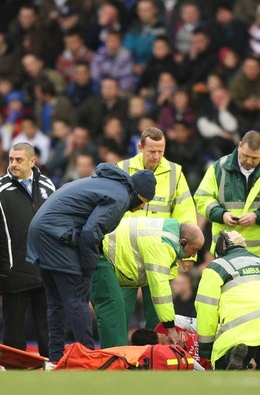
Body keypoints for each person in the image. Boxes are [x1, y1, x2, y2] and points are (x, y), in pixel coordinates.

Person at [27, 164, 156, 368]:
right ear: (140, 195)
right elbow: (90, 233)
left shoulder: (104, 184)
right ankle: (87, 357)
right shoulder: (121, 197)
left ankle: (54, 358)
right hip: (56, 235)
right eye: (144, 203)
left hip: (40, 232)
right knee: (77, 299)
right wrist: (88, 267)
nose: (141, 207)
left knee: (55, 303)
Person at [0, 143, 54, 356]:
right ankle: (14, 376)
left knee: (48, 327)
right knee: (14, 332)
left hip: (44, 269)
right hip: (13, 270)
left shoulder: (48, 185)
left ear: (32, 161)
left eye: (19, 160)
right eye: (11, 159)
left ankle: (52, 372)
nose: (13, 164)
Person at [117, 127, 198, 329]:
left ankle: (155, 356)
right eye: (152, 151)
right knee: (121, 311)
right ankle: (120, 356)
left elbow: (185, 212)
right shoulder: (122, 168)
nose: (157, 156)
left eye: (161, 151)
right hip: (127, 253)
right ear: (140, 147)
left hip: (160, 252)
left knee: (158, 312)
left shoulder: (175, 172)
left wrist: (188, 255)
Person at [195, 231, 260, 370]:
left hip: (244, 327)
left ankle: (232, 356)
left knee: (220, 357)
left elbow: (206, 308)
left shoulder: (216, 268)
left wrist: (206, 349)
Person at [91, 217, 204, 348]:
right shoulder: (162, 246)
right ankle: (115, 361)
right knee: (113, 309)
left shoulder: (168, 234)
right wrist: (171, 330)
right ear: (183, 242)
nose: (194, 254)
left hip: (101, 253)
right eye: (194, 249)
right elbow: (160, 290)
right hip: (98, 255)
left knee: (114, 309)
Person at [195, 131, 260, 257]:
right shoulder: (219, 168)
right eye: (245, 155)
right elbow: (202, 198)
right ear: (239, 146)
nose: (249, 161)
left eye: (255, 158)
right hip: (227, 250)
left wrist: (257, 216)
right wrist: (222, 215)